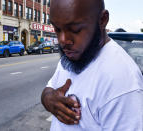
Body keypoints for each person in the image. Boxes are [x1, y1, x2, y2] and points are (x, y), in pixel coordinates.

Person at [41, 0, 143, 130]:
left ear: (102, 20)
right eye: (57, 29)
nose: (63, 40)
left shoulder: (122, 83)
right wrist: (49, 99)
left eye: (75, 29)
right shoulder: (74, 54)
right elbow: (49, 88)